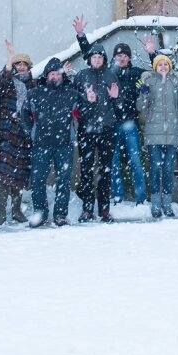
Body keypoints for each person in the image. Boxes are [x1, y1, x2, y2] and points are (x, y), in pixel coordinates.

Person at [72, 15, 153, 205]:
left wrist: (152, 54)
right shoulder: (108, 71)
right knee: (112, 162)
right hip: (111, 123)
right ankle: (117, 196)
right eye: (118, 55)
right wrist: (81, 35)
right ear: (114, 58)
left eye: (125, 55)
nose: (122, 57)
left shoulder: (136, 73)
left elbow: (159, 71)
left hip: (130, 123)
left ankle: (141, 197)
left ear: (130, 58)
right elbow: (90, 55)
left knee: (136, 161)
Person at [22, 58, 81, 227]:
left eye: (57, 74)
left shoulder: (71, 94)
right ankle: (40, 214)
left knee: (64, 180)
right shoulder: (35, 93)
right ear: (47, 76)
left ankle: (61, 215)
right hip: (41, 144)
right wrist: (31, 132)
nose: (55, 77)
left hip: (64, 144)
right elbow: (24, 114)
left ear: (62, 76)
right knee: (38, 180)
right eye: (52, 74)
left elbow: (84, 111)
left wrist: (89, 100)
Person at [136, 54, 178, 218]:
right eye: (160, 65)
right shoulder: (149, 82)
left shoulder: (176, 83)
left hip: (172, 133)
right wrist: (143, 93)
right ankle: (155, 203)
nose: (163, 67)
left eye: (166, 64)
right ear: (154, 67)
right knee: (155, 168)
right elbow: (140, 108)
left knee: (167, 169)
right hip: (153, 134)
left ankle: (166, 203)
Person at [73, 43, 120, 223]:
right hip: (86, 129)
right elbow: (75, 105)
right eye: (94, 57)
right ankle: (87, 209)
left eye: (100, 57)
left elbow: (120, 105)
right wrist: (87, 100)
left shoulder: (111, 75)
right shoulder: (81, 76)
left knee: (105, 170)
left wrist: (115, 98)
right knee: (86, 170)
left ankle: (104, 209)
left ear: (104, 59)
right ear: (89, 59)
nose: (97, 60)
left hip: (107, 128)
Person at [0, 40, 34, 226]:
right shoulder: (7, 82)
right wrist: (9, 58)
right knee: (3, 174)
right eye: (18, 64)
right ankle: (1, 213)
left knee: (19, 175)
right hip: (6, 132)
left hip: (24, 134)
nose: (21, 67)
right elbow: (1, 79)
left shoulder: (34, 84)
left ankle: (16, 210)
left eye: (24, 64)